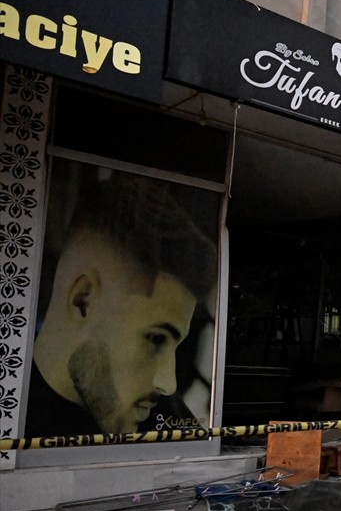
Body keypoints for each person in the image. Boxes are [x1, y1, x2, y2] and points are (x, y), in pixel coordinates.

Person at [27, 173, 218, 438]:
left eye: (177, 345)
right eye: (155, 338)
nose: (168, 383)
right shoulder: (14, 416)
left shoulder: (164, 417)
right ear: (83, 300)